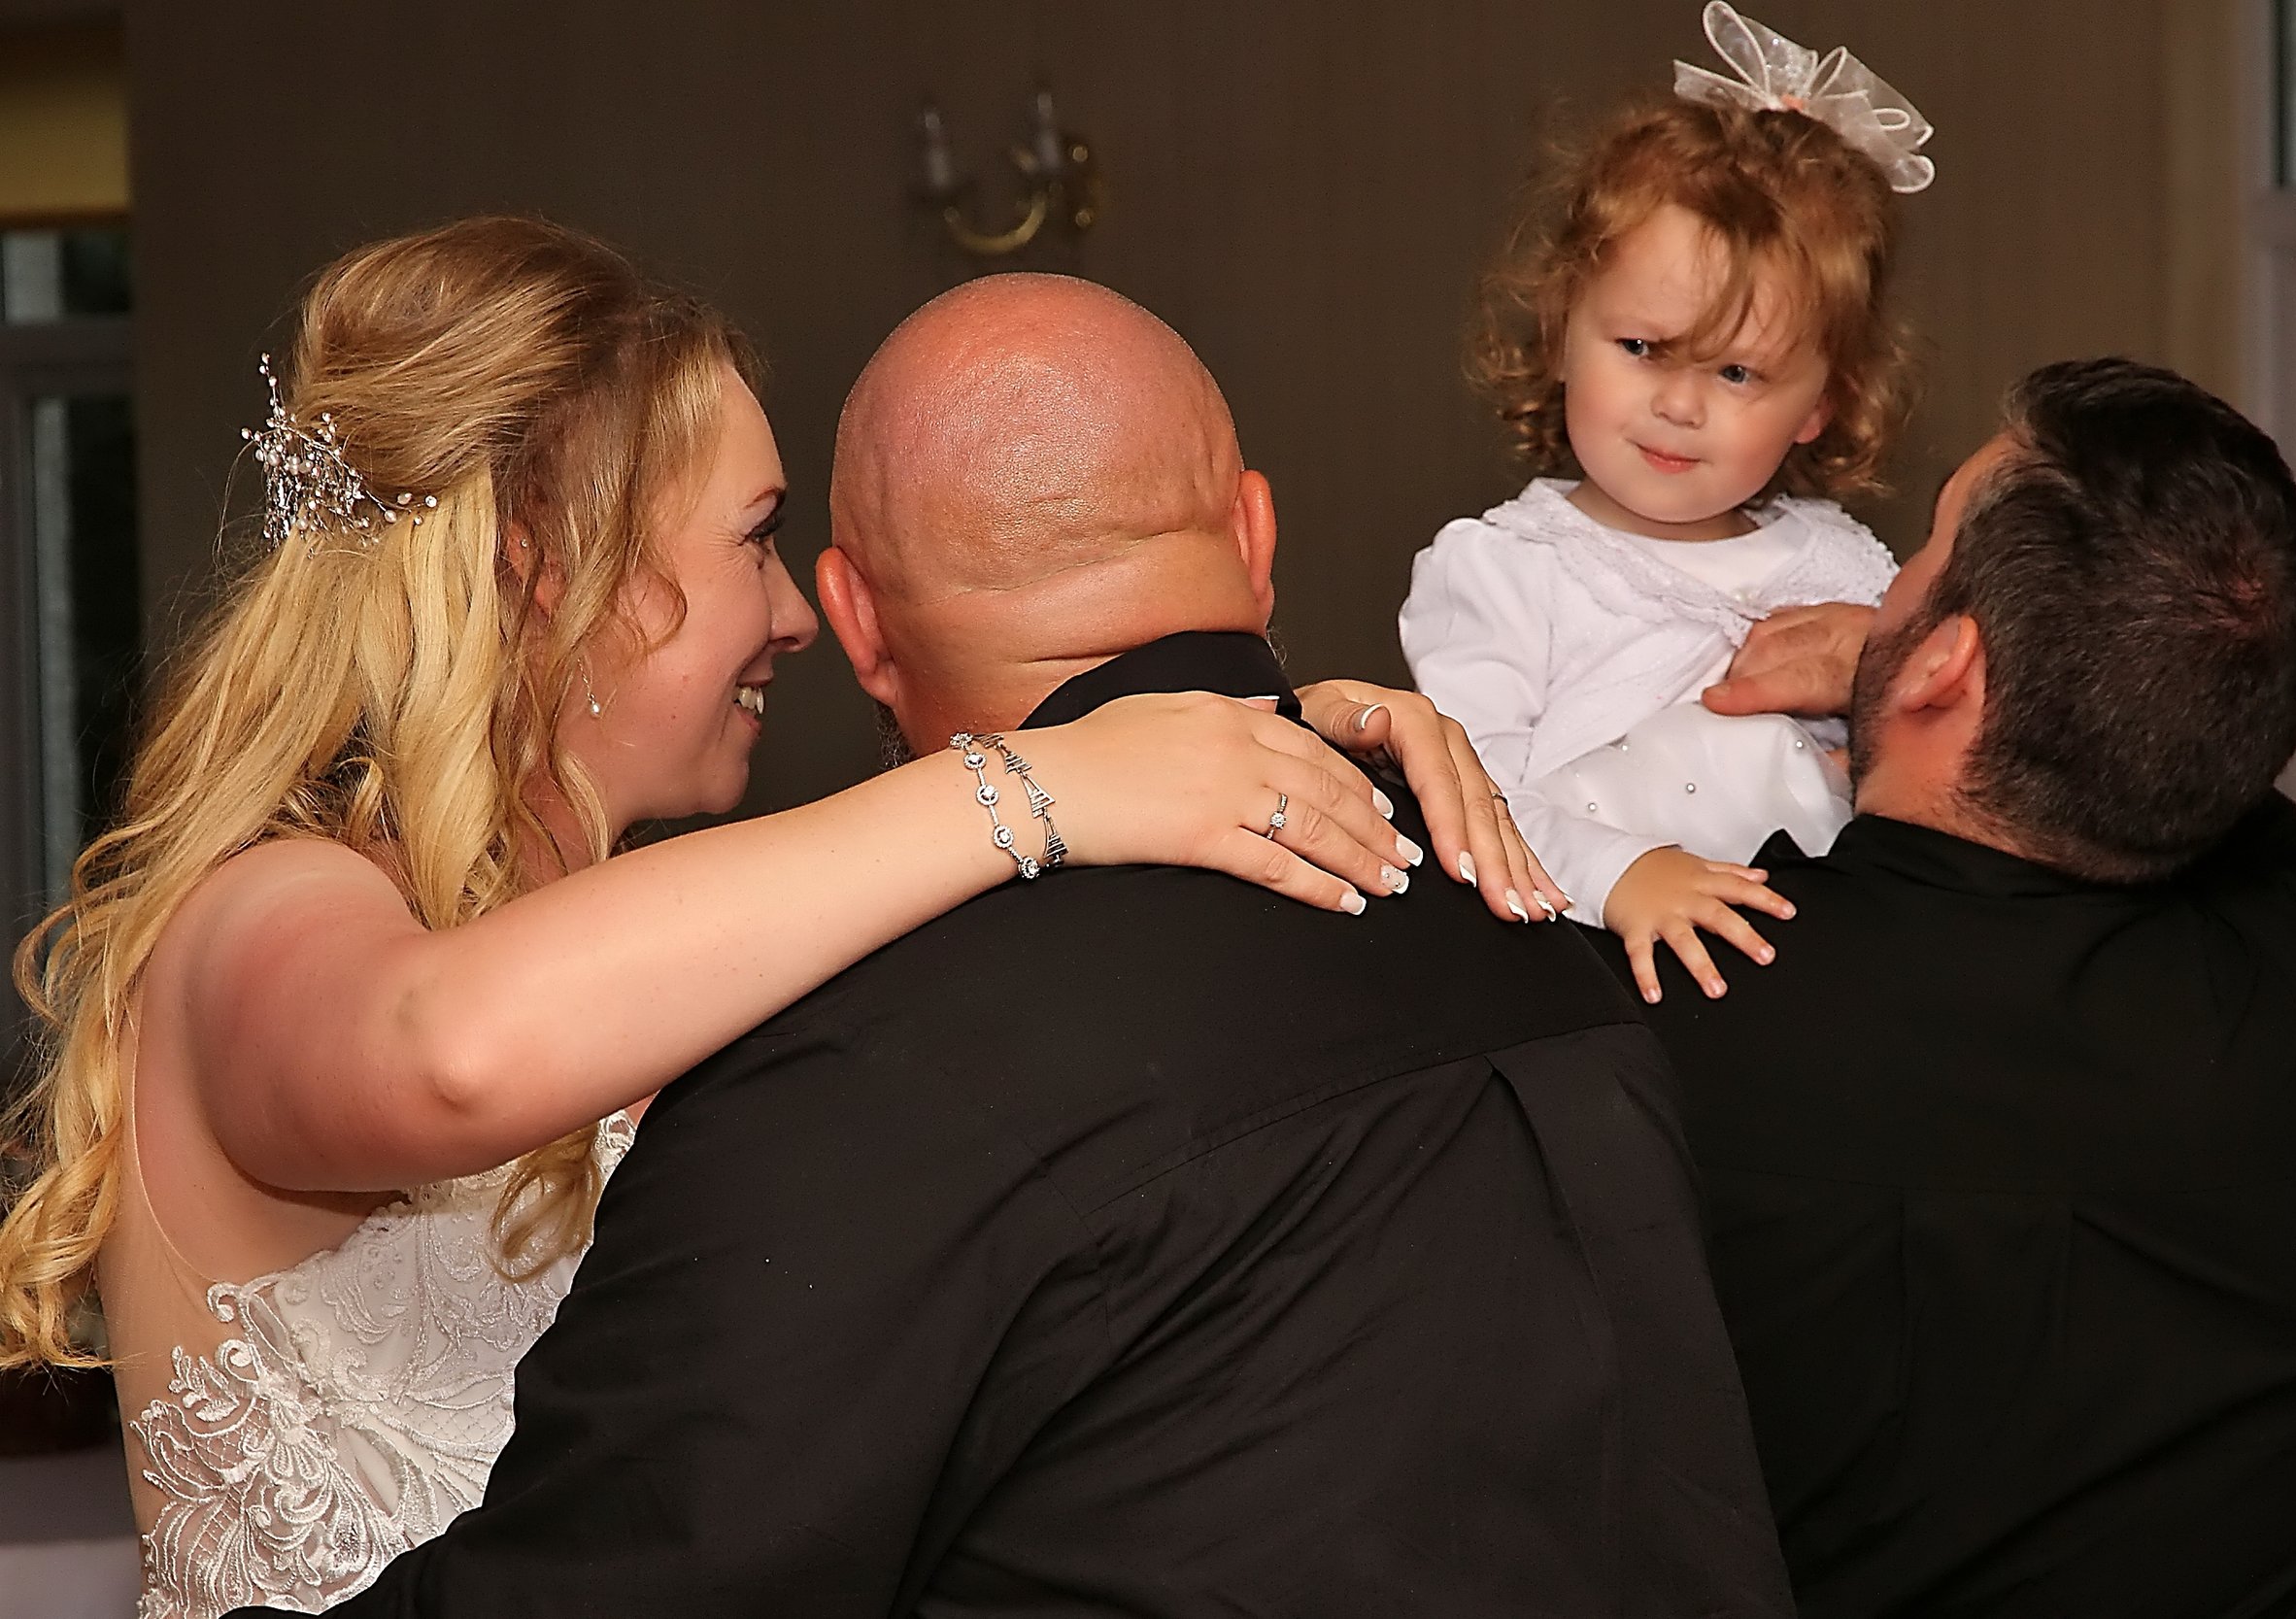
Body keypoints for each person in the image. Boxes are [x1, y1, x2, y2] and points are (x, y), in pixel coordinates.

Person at [0, 219, 1548, 1619]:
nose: (799, 615)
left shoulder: (656, 941)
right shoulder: (259, 910)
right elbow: (450, 1051)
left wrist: (1254, 730)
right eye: (752, 537)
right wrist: (1042, 778)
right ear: (548, 571)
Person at [256, 272, 1795, 1619]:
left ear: (863, 622)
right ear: (1255, 536)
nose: (786, 615)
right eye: (754, 542)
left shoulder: (870, 1059)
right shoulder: (1511, 903)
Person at [1623, 357, 2296, 1616]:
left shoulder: (1679, 1033)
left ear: (1948, 664)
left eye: (1922, 548)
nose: (1882, 590)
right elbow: (2208, 745)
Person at [1401, 3, 1936, 1003]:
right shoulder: (1504, 569)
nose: (1679, 405)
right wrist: (1622, 873)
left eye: (1737, 372)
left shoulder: (1851, 568)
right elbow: (1473, 798)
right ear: (1563, 329)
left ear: (1821, 402)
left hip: (1834, 982)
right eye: (1641, 348)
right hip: (1600, 986)